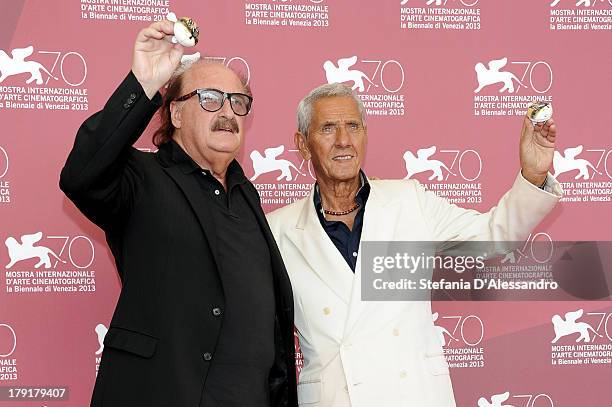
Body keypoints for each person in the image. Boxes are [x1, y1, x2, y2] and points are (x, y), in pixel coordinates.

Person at [266, 83, 562, 407]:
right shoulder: (277, 230)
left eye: (352, 126)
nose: (343, 141)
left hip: (414, 395)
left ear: (365, 134)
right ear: (303, 144)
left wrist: (533, 175)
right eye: (327, 128)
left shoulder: (410, 201)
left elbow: (495, 235)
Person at [59, 20, 297, 407]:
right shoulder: (140, 178)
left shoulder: (247, 196)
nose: (227, 111)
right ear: (176, 114)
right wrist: (144, 82)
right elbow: (81, 175)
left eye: (238, 101)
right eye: (209, 98)